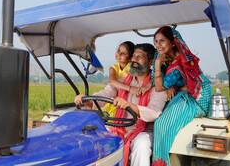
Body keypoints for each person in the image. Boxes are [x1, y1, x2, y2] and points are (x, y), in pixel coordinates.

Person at [75, 44, 167, 166]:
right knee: (92, 137)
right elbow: (105, 94)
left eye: (140, 57)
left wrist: (129, 105)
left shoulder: (158, 87)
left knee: (141, 145)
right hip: (119, 128)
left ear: (150, 63)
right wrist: (87, 100)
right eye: (134, 56)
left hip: (142, 131)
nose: (134, 60)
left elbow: (153, 112)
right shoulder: (122, 83)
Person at [151, 26, 213, 166]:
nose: (158, 45)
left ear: (172, 42)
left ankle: (161, 163)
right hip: (184, 94)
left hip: (195, 98)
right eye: (156, 41)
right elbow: (156, 81)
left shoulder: (179, 60)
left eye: (162, 41)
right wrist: (171, 86)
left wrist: (157, 62)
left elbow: (159, 86)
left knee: (161, 124)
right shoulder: (171, 60)